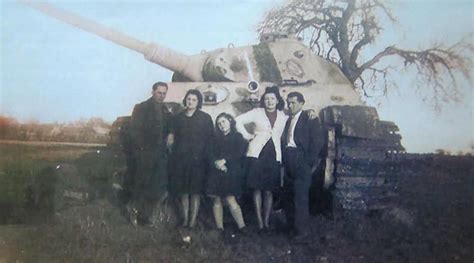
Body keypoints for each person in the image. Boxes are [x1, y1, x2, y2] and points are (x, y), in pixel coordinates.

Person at [235, 86, 288, 231]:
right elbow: (237, 121)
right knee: (257, 189)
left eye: (272, 99)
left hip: (273, 155)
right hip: (257, 154)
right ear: (263, 101)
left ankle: (267, 221)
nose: (270, 101)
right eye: (267, 99)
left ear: (277, 100)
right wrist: (247, 136)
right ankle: (259, 221)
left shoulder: (283, 116)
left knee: (269, 190)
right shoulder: (256, 113)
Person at [127, 81, 172, 226]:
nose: (161, 96)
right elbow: (134, 130)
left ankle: (145, 217)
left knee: (157, 186)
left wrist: (171, 133)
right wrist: (142, 149)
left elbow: (169, 127)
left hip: (160, 155)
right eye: (159, 93)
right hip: (145, 153)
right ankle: (133, 212)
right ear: (153, 92)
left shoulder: (165, 109)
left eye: (164, 93)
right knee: (141, 184)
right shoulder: (141, 107)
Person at [281, 91, 324, 242]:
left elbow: (317, 141)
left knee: (300, 196)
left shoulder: (309, 118)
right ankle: (291, 226)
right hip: (288, 158)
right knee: (289, 195)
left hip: (301, 159)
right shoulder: (288, 120)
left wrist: (308, 162)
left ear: (301, 103)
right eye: (288, 103)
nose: (290, 105)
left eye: (293, 102)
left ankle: (302, 231)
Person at [168, 89, 214, 228]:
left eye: (194, 100)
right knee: (183, 191)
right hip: (181, 159)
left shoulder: (205, 118)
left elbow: (210, 139)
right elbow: (171, 138)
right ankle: (185, 219)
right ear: (185, 100)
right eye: (189, 99)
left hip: (198, 160)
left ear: (198, 102)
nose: (191, 102)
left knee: (195, 192)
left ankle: (193, 221)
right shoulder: (178, 118)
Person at [207, 113, 248, 233]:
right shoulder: (214, 138)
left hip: (231, 171)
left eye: (224, 122)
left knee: (230, 198)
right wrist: (216, 163)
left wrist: (225, 161)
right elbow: (209, 153)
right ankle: (220, 227)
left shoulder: (238, 137)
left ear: (230, 121)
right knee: (216, 199)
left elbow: (239, 153)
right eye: (219, 123)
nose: (221, 125)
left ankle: (242, 226)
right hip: (216, 171)